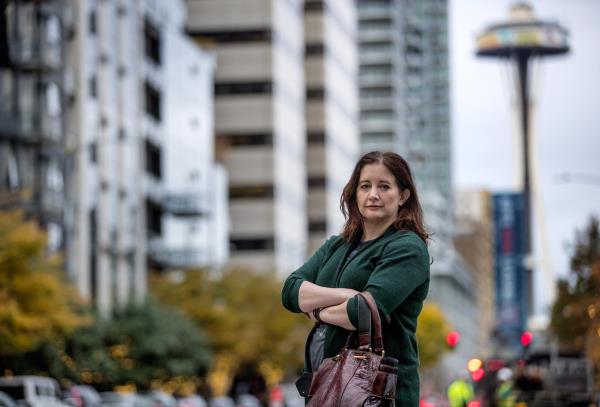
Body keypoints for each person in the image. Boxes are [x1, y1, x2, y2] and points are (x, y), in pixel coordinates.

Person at [281, 151, 430, 406]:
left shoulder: (407, 247)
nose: (373, 194)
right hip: (324, 389)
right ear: (355, 193)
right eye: (365, 186)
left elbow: (360, 313)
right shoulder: (337, 245)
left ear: (403, 196)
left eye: (384, 186)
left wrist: (316, 311)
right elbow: (290, 292)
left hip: (377, 396)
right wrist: (344, 295)